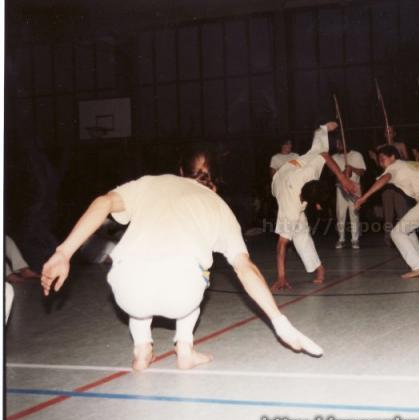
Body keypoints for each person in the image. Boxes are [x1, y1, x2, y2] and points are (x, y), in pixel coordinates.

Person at [40, 149, 323, 371]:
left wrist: (63, 252)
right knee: (199, 266)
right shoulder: (219, 207)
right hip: (181, 293)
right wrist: (280, 323)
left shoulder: (149, 183)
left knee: (140, 262)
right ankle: (185, 350)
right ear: (216, 181)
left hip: (126, 290)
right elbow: (246, 268)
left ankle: (141, 348)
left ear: (179, 171)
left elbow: (102, 202)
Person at [271, 122, 358, 290]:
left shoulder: (310, 173)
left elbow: (323, 154)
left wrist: (342, 178)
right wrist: (281, 277)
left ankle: (321, 130)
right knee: (299, 233)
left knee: (317, 149)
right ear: (307, 203)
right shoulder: (290, 209)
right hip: (279, 184)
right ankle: (319, 269)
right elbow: (281, 244)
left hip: (294, 169)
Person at [355, 145, 419, 279]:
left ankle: (418, 267)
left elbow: (384, 179)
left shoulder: (394, 166)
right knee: (408, 231)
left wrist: (364, 197)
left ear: (393, 157)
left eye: (382, 159)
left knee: (396, 233)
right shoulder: (413, 165)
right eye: (379, 160)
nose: (380, 163)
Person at [369, 126, 410, 246]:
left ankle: (405, 235)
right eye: (386, 132)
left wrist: (396, 156)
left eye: (390, 132)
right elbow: (380, 165)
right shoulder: (380, 148)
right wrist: (375, 159)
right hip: (387, 183)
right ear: (384, 134)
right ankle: (388, 238)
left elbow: (407, 161)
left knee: (401, 210)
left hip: (399, 182)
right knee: (388, 212)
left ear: (394, 133)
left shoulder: (400, 145)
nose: (388, 134)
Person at [332, 139, 366, 249]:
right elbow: (332, 174)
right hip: (340, 188)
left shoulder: (357, 155)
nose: (338, 145)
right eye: (337, 144)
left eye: (340, 143)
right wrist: (343, 173)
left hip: (355, 188)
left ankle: (355, 239)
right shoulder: (334, 157)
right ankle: (341, 239)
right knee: (340, 214)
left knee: (354, 213)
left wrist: (351, 168)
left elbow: (362, 172)